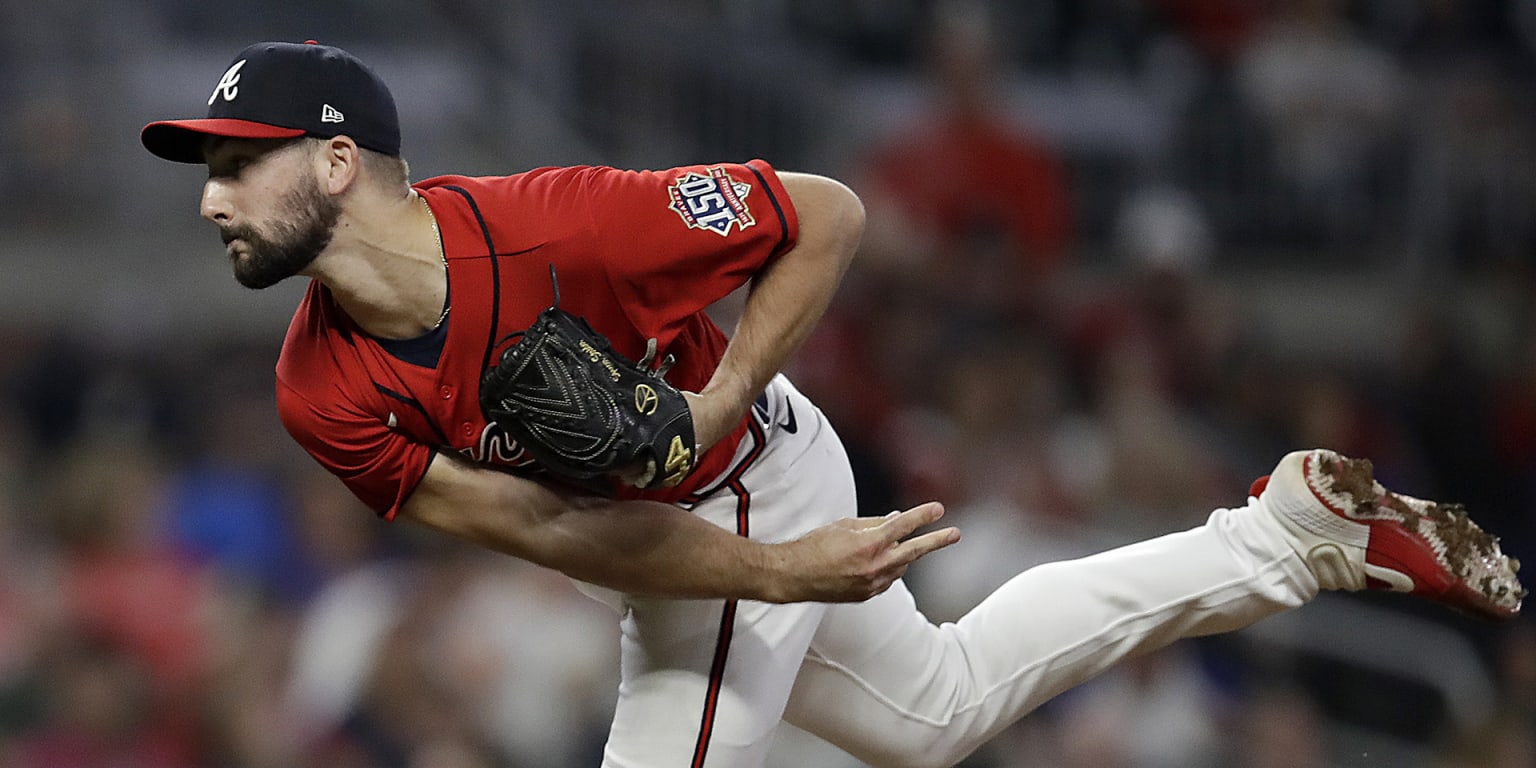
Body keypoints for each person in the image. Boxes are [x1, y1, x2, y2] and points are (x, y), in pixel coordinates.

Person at [141, 40, 1524, 768]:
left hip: (743, 461)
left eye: (236, 163)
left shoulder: (565, 227)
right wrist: (776, 575)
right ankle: (1286, 539)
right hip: (691, 533)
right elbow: (558, 537)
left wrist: (728, 389)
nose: (208, 195)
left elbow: (826, 213)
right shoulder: (317, 386)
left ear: (335, 163)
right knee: (937, 716)